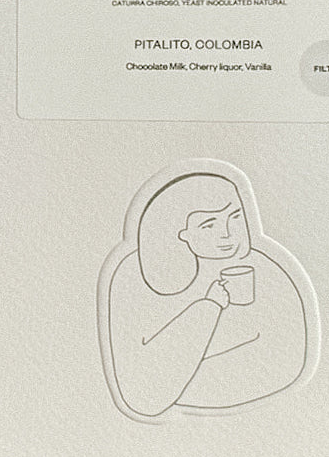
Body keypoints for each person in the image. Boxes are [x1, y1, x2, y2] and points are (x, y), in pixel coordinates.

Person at [99, 166, 312, 418]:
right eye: (209, 225)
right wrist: (209, 306)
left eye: (235, 217)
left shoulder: (262, 265)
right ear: (180, 233)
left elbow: (286, 356)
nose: (227, 234)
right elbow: (143, 394)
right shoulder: (133, 275)